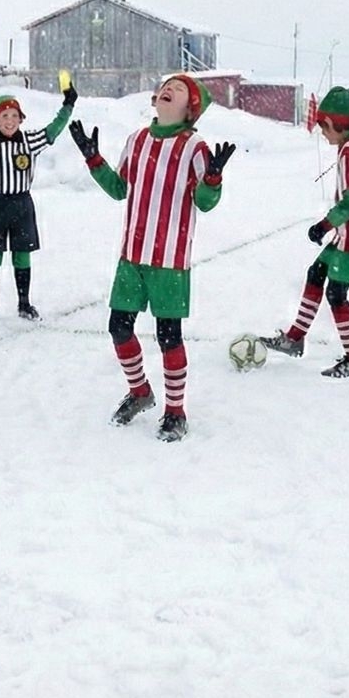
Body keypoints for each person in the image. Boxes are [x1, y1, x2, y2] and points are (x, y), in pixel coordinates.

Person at [70, 74, 235, 442]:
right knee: (119, 328)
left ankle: (176, 413)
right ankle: (140, 391)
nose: (168, 89)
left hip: (170, 261)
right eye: (166, 85)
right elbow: (118, 189)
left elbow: (205, 204)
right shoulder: (137, 140)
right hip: (132, 256)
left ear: (190, 108)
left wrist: (212, 179)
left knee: (169, 337)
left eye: (178, 89)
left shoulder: (195, 147)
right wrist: (92, 158)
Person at [260, 87, 349, 377]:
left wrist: (324, 225)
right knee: (316, 273)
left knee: (336, 294)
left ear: (336, 123)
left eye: (324, 126)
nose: (322, 133)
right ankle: (295, 338)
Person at [0, 85, 76, 323]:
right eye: (4, 116)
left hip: (21, 204)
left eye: (15, 116)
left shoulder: (29, 141)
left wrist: (67, 106)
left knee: (22, 254)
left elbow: (53, 131)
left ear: (21, 119)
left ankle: (24, 303)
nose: (10, 121)